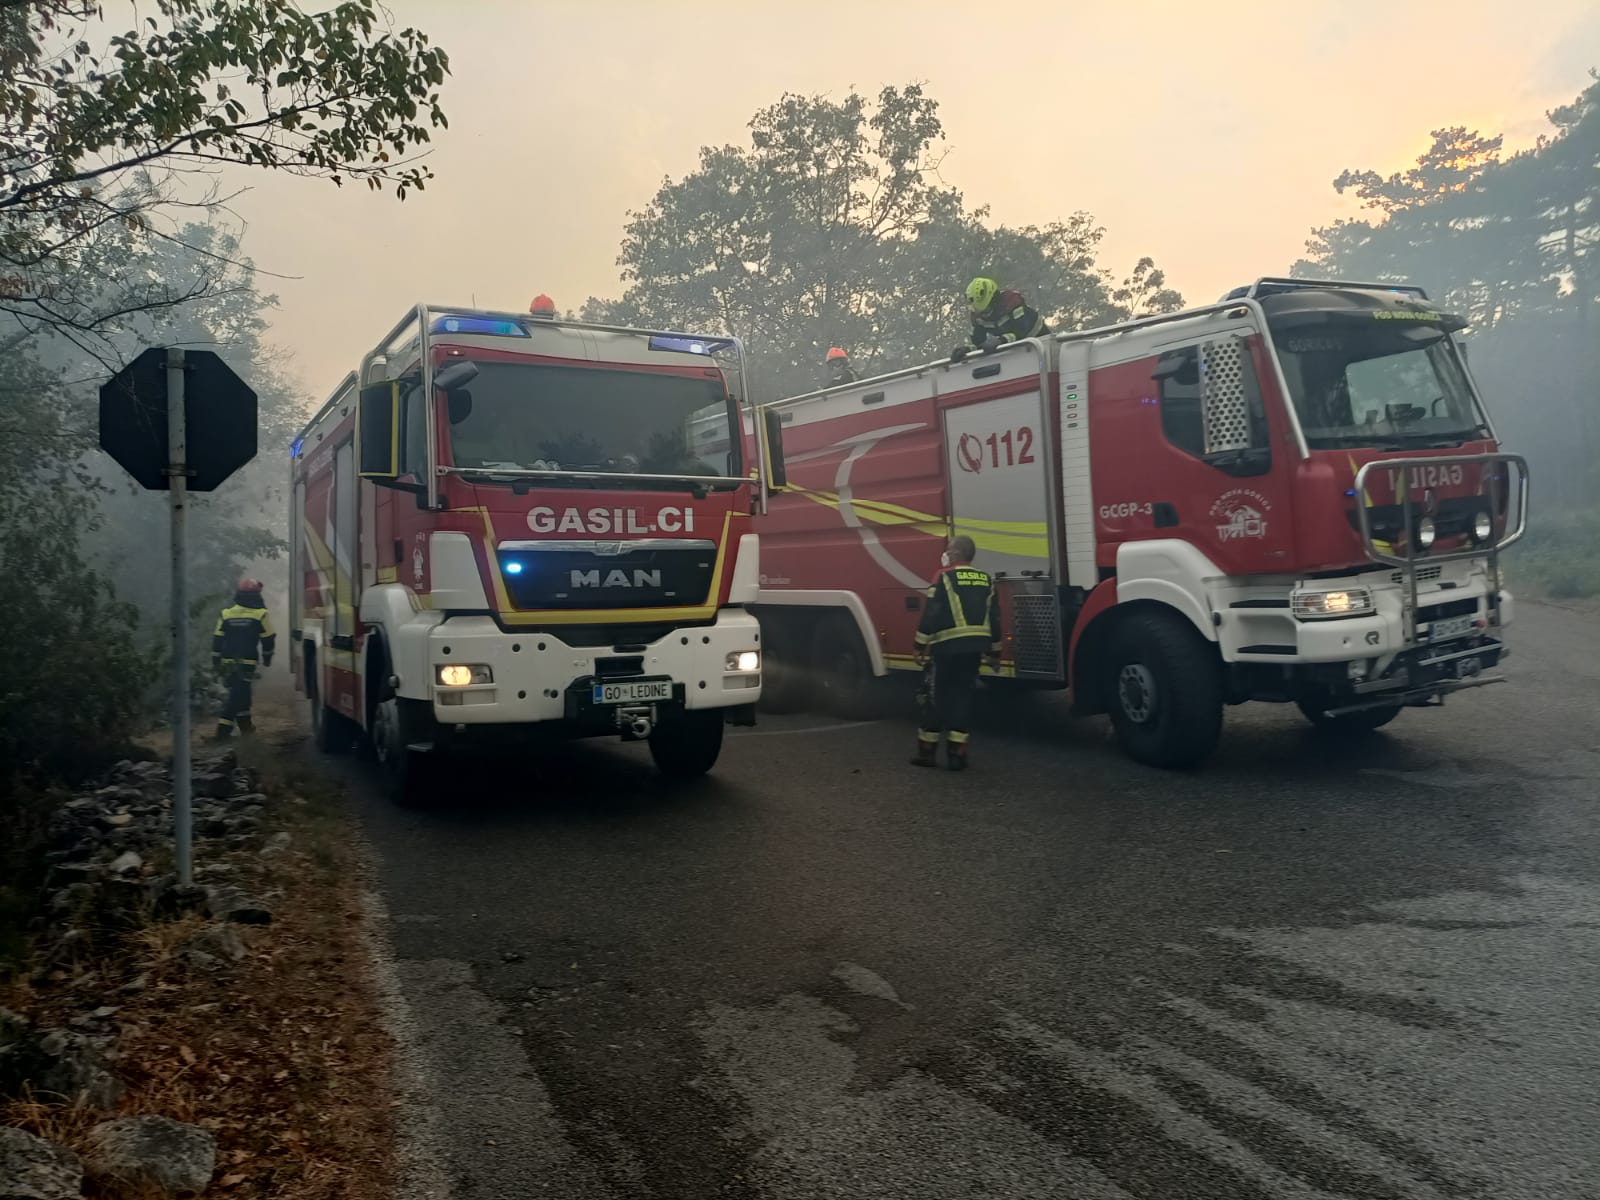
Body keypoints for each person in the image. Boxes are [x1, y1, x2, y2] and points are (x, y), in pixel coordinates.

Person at [912, 535, 1001, 770]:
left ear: (957, 554)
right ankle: (957, 756)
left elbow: (931, 612)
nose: (946, 553)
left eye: (949, 549)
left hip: (946, 648)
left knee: (935, 698)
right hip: (974, 649)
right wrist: (995, 652)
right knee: (962, 697)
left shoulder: (943, 576)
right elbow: (995, 618)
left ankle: (927, 754)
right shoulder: (986, 579)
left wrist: (919, 644)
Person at [211, 577, 275, 739]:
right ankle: (222, 732)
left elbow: (217, 639)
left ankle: (246, 728)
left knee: (242, 695)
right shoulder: (261, 614)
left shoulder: (226, 613)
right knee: (237, 697)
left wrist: (216, 662)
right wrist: (267, 658)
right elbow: (268, 638)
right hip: (247, 663)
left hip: (228, 663)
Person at [954, 277, 1048, 361]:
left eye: (986, 308)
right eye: (979, 310)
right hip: (1020, 354)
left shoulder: (1013, 305)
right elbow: (980, 344)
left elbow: (1020, 332)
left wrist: (1000, 340)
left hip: (1043, 345)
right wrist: (967, 350)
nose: (983, 313)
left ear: (993, 300)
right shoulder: (979, 318)